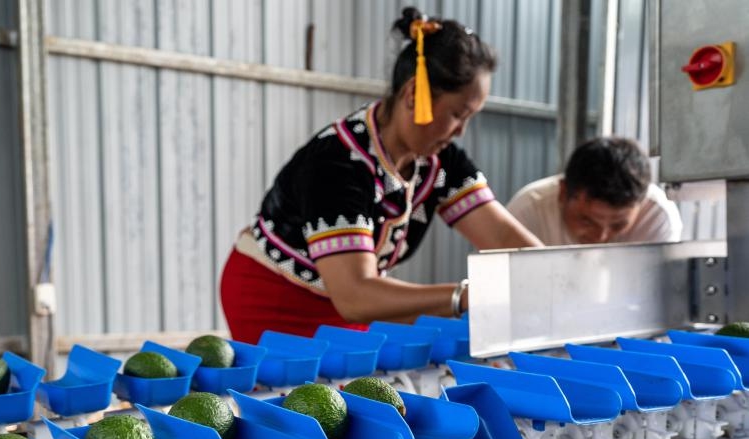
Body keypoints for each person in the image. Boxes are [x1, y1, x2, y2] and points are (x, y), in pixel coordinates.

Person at [219, 7, 542, 345]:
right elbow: (356, 295)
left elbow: (502, 234)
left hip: (354, 302)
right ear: (413, 94)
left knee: (358, 390)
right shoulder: (337, 162)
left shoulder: (438, 160)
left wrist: (553, 276)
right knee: (308, 397)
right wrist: (464, 296)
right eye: (458, 114)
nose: (462, 131)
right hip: (276, 297)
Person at [506, 137, 684, 246]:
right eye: (587, 221)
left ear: (641, 203)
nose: (601, 236)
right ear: (563, 193)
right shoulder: (527, 211)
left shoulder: (657, 215)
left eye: (618, 225)